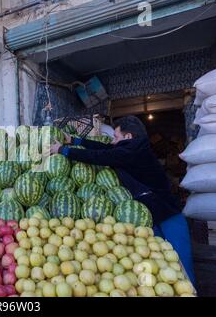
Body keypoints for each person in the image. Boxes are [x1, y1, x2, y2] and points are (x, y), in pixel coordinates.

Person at [51, 115, 196, 285]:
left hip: (168, 214)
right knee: (164, 264)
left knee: (182, 263)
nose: (113, 140)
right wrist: (75, 140)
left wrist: (64, 150)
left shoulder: (132, 152)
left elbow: (99, 156)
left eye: (116, 137)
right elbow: (106, 149)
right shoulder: (133, 149)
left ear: (128, 137)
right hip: (154, 213)